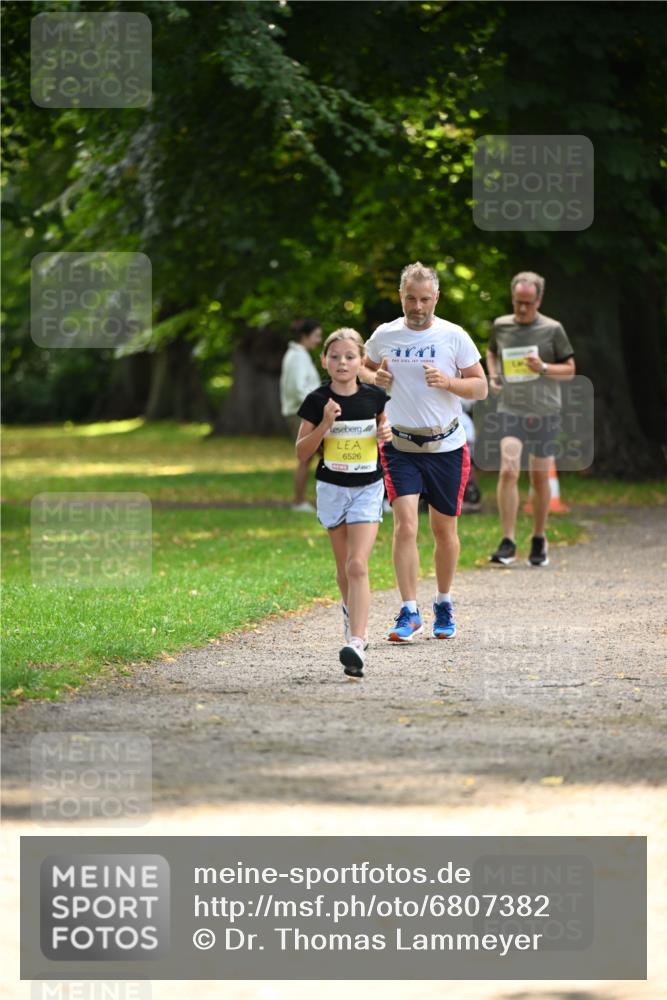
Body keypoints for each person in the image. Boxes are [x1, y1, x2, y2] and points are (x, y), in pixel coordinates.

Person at [359, 262, 488, 643]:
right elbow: (363, 371)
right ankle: (409, 610)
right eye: (411, 299)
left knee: (443, 529)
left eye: (425, 299)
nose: (417, 307)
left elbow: (480, 387)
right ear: (401, 297)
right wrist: (374, 378)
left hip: (446, 445)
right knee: (405, 525)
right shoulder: (385, 335)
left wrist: (449, 381)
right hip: (400, 445)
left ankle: (443, 603)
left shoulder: (454, 336)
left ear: (436, 298)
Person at [296, 328, 391, 677]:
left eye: (350, 356)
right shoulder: (316, 400)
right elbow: (301, 452)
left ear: (360, 360)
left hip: (368, 487)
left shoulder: (375, 397)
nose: (342, 362)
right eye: (335, 356)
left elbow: (384, 427)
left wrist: (386, 431)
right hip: (332, 489)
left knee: (357, 565)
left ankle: (357, 642)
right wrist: (324, 423)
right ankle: (352, 614)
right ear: (324, 360)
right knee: (342, 571)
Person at [486, 270, 576, 567]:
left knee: (539, 477)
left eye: (528, 303)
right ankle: (508, 541)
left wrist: (544, 367)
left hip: (544, 412)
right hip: (511, 409)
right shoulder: (501, 325)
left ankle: (538, 536)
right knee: (509, 470)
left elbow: (570, 369)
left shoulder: (553, 329)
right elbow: (491, 352)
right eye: (517, 302)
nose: (522, 309)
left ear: (539, 300)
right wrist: (495, 375)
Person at [280, 318, 323, 512]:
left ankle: (302, 500)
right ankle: (298, 501)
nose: (318, 340)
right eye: (316, 336)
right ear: (305, 336)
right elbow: (298, 388)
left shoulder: (300, 355)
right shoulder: (297, 357)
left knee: (312, 457)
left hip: (302, 412)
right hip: (300, 413)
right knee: (306, 458)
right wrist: (318, 407)